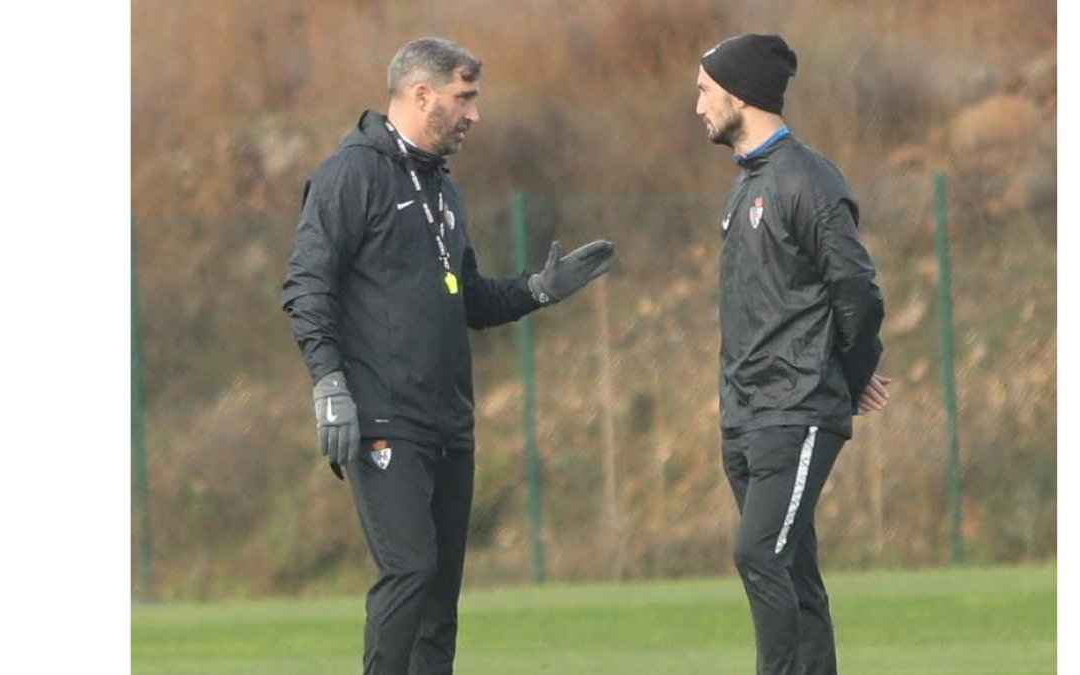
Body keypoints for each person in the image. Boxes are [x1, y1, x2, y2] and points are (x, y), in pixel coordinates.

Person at [280, 37, 615, 675]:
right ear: (421, 94)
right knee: (410, 569)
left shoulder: (443, 190)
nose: (474, 115)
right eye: (465, 98)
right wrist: (328, 382)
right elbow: (305, 285)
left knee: (439, 601)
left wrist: (538, 290)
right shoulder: (351, 175)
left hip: (448, 421)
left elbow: (470, 297)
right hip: (382, 416)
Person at [695, 34, 891, 675]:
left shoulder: (808, 179)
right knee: (794, 571)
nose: (697, 105)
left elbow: (858, 290)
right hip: (746, 417)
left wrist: (848, 375)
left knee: (760, 555)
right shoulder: (743, 188)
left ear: (739, 95)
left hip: (796, 409)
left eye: (704, 91)